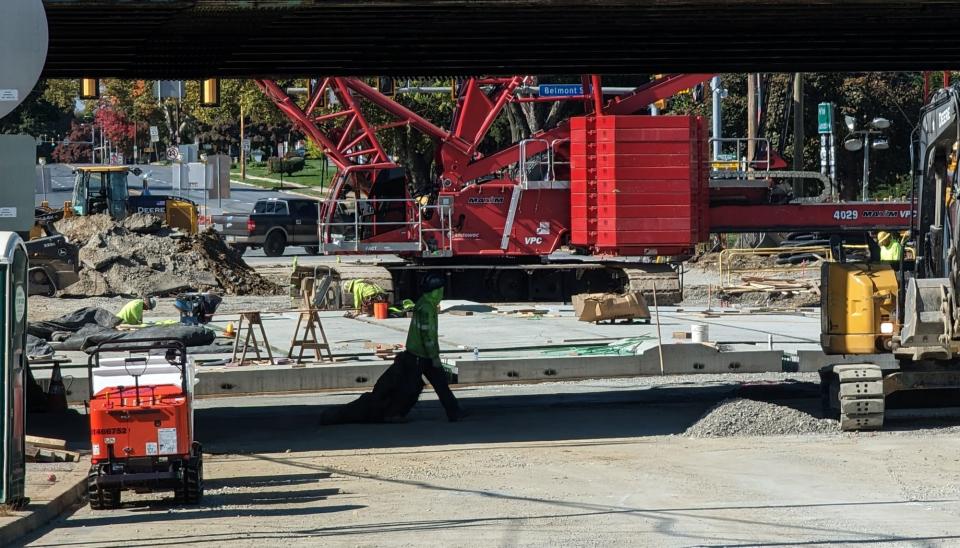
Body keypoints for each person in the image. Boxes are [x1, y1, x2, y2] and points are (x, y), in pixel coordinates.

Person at [406, 274, 464, 422]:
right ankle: (454, 412)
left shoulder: (422, 303)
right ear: (436, 291)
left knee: (426, 384)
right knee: (437, 384)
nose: (442, 295)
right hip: (423, 353)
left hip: (415, 351)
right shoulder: (427, 308)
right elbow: (427, 335)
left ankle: (454, 411)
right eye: (441, 291)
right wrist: (434, 357)